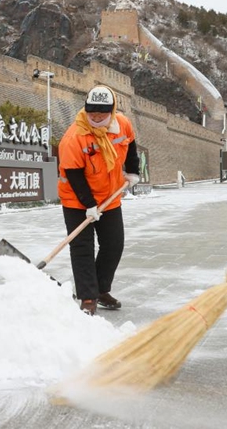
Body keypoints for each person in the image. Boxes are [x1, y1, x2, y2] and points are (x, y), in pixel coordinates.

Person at [57, 85, 140, 315]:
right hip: (76, 199)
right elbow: (73, 174)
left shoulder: (122, 124)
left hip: (110, 196)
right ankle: (87, 297)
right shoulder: (75, 137)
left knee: (114, 244)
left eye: (101, 115)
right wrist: (89, 205)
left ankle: (101, 289)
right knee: (82, 247)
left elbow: (130, 145)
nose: (95, 118)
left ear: (112, 112)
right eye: (91, 113)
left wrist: (132, 171)